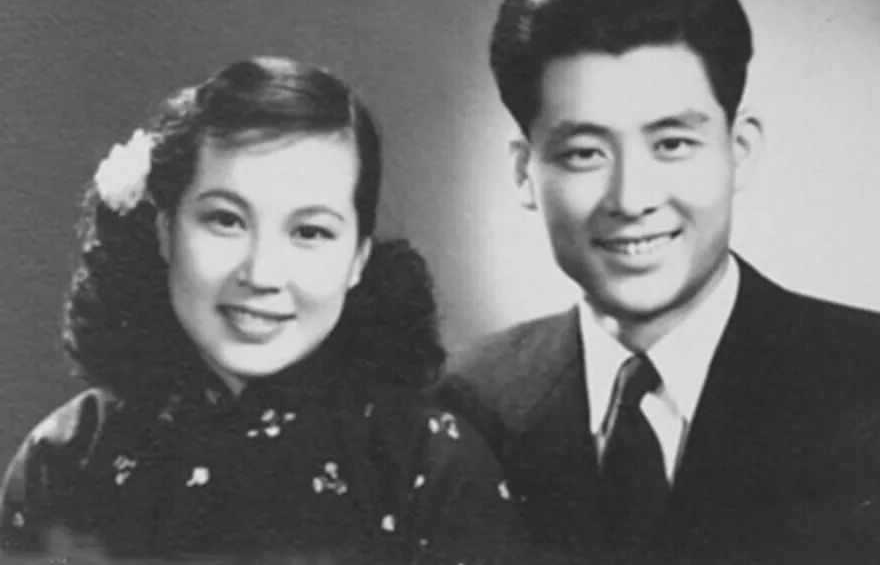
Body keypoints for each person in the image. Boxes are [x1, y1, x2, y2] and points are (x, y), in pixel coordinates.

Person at [433, 0, 880, 564]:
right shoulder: (460, 402)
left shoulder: (876, 381)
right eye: (584, 153)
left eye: (672, 143)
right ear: (524, 173)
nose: (631, 199)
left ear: (740, 150)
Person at [0, 56, 517, 564]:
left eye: (310, 231)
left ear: (358, 259)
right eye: (226, 220)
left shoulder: (431, 464)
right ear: (165, 231)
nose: (261, 273)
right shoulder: (67, 457)